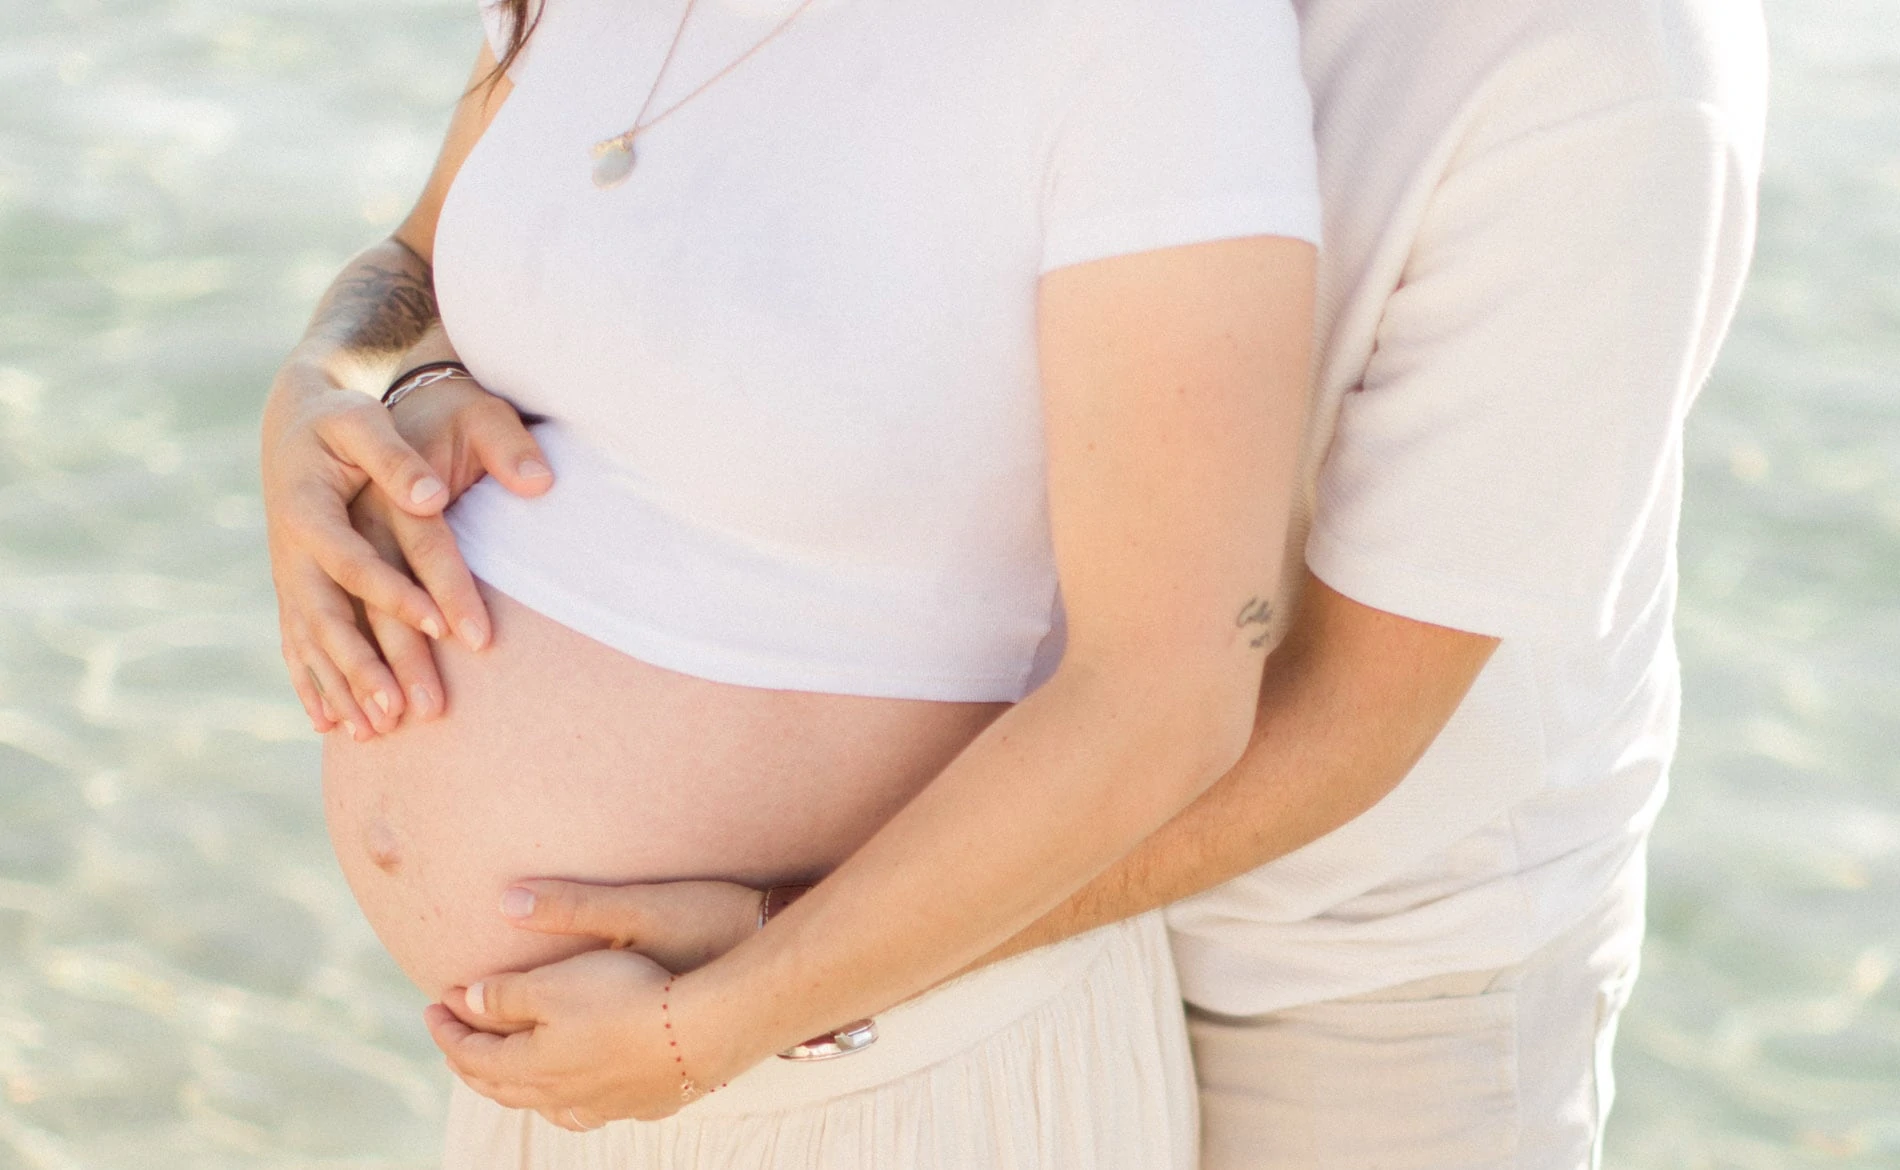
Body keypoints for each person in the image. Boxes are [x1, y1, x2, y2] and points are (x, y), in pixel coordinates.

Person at [266, 0, 1768, 1166]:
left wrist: (778, 962)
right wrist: (357, 383)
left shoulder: (1602, 69)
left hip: (1356, 962)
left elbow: (1350, 711)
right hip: (934, 893)